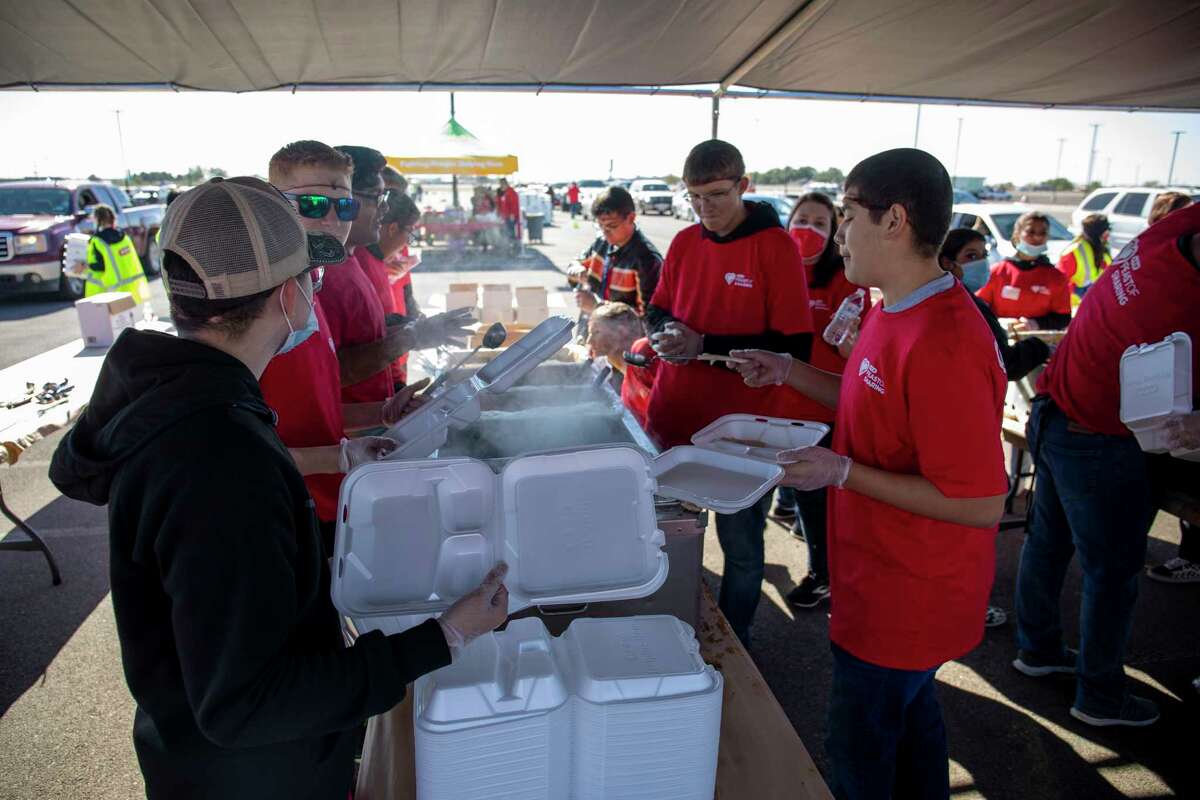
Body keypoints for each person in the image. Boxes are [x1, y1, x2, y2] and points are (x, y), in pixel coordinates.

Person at [48, 176, 510, 800]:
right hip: (251, 779)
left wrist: (340, 455)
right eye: (312, 282)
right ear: (291, 296)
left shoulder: (187, 403)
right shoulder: (218, 455)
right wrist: (445, 636)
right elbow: (248, 704)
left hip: (202, 759)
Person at [733, 148, 1007, 799]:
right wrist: (789, 370)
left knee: (858, 745)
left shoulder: (947, 341)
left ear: (895, 221)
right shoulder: (888, 304)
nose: (837, 234)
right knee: (912, 725)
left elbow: (981, 503)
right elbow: (868, 402)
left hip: (909, 595)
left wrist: (841, 470)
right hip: (874, 577)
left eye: (849, 215)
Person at [1015, 202, 1200, 727]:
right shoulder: (1189, 302)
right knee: (1112, 574)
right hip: (1098, 438)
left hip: (1053, 411)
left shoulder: (1166, 237)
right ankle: (1099, 696)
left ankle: (1038, 649)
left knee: (1047, 547)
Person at [646, 139, 814, 647]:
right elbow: (656, 309)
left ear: (744, 185)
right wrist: (666, 333)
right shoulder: (682, 243)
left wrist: (707, 346)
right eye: (694, 198)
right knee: (667, 536)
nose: (705, 209)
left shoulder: (775, 247)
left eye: (716, 195)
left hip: (742, 427)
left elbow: (793, 345)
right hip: (675, 416)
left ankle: (735, 641)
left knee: (740, 544)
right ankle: (668, 624)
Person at [261, 140, 423, 546]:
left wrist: (382, 411)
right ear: (273, 207)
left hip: (333, 500)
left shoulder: (311, 290)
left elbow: (317, 408)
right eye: (312, 205)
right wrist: (339, 457)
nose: (333, 219)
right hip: (288, 513)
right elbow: (235, 449)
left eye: (344, 206)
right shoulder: (257, 306)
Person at [773, 191, 871, 610]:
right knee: (793, 490)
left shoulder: (846, 281)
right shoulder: (776, 271)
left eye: (819, 223)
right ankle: (806, 534)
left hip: (821, 407)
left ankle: (823, 574)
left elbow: (852, 345)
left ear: (834, 233)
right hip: (774, 404)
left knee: (817, 496)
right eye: (802, 219)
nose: (807, 230)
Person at [328, 145, 471, 404]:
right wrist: (411, 336)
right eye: (378, 197)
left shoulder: (353, 261)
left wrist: (418, 329)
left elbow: (368, 331)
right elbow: (332, 370)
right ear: (347, 202)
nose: (384, 210)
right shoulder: (324, 274)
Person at [941, 228, 1051, 383]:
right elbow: (1005, 363)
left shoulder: (949, 297)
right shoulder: (966, 306)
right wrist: (1041, 347)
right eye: (971, 256)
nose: (980, 262)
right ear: (947, 262)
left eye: (984, 255)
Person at [355, 189, 423, 388]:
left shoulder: (375, 261)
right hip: (373, 388)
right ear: (392, 228)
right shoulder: (363, 265)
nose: (405, 246)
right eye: (409, 234)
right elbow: (372, 340)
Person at [567, 186, 663, 315]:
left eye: (611, 226)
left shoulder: (647, 259)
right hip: (595, 330)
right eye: (600, 226)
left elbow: (650, 318)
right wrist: (578, 272)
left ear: (631, 218)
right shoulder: (602, 244)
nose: (605, 233)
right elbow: (575, 264)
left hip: (625, 334)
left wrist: (597, 308)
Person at [975, 210, 1072, 331]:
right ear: (1017, 235)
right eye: (1030, 232)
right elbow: (977, 309)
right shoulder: (997, 272)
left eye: (1043, 233)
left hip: (1039, 344)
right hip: (1001, 341)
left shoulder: (1056, 277)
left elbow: (1063, 317)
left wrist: (1035, 324)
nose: (1037, 237)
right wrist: (998, 323)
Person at [586, 301, 656, 427]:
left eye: (596, 332)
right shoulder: (621, 371)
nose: (589, 341)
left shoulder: (646, 357)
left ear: (621, 331)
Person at [81, 203, 151, 305]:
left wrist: (85, 266)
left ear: (97, 220)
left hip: (111, 292)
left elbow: (100, 267)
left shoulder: (97, 241)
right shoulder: (124, 238)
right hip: (131, 289)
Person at [1056, 213, 1112, 302]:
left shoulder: (1103, 251)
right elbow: (1059, 284)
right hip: (1076, 307)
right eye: (1105, 232)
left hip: (1093, 304)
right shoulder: (1073, 252)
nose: (1108, 236)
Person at [497, 177, 521, 247]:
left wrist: (512, 214)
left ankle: (514, 244)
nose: (501, 186)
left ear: (505, 184)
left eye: (502, 184)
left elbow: (514, 204)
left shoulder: (511, 193)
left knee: (511, 230)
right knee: (507, 230)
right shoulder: (504, 193)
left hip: (510, 216)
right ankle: (509, 244)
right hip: (505, 216)